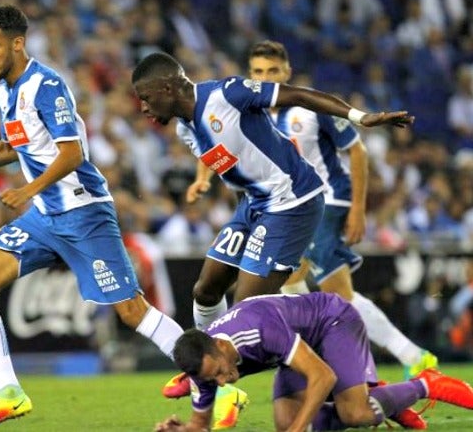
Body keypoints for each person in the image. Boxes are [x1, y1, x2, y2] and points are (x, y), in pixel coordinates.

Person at [0, 6, 184, 432]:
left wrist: (28, 189)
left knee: (131, 311)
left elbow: (72, 153)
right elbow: (12, 146)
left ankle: (212, 375)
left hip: (83, 213)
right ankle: (10, 393)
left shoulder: (47, 85)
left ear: (17, 43)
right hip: (45, 216)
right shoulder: (6, 91)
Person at [131, 51, 413, 429]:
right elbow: (235, 171)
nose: (144, 108)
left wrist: (360, 118)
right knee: (206, 290)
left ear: (167, 87)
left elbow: (297, 95)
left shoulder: (226, 95)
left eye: (147, 98)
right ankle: (211, 369)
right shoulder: (185, 128)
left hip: (293, 202)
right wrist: (248, 232)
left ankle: (224, 388)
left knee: (246, 309)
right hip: (254, 206)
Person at [244, 40, 438, 380]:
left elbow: (357, 150)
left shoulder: (309, 107)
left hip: (328, 200)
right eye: (259, 72)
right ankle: (405, 356)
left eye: (273, 70)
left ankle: (356, 371)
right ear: (250, 75)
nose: (267, 77)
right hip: (290, 208)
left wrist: (357, 210)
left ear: (287, 72)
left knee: (315, 289)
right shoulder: (250, 114)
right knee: (302, 286)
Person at [155, 293, 473, 432]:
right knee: (289, 423)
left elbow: (322, 376)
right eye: (214, 381)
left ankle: (425, 384)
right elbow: (201, 425)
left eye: (221, 372)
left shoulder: (259, 329)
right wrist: (183, 429)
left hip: (332, 322)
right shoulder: (203, 366)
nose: (225, 382)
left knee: (355, 413)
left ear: (222, 346)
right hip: (296, 350)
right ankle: (384, 401)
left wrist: (296, 429)